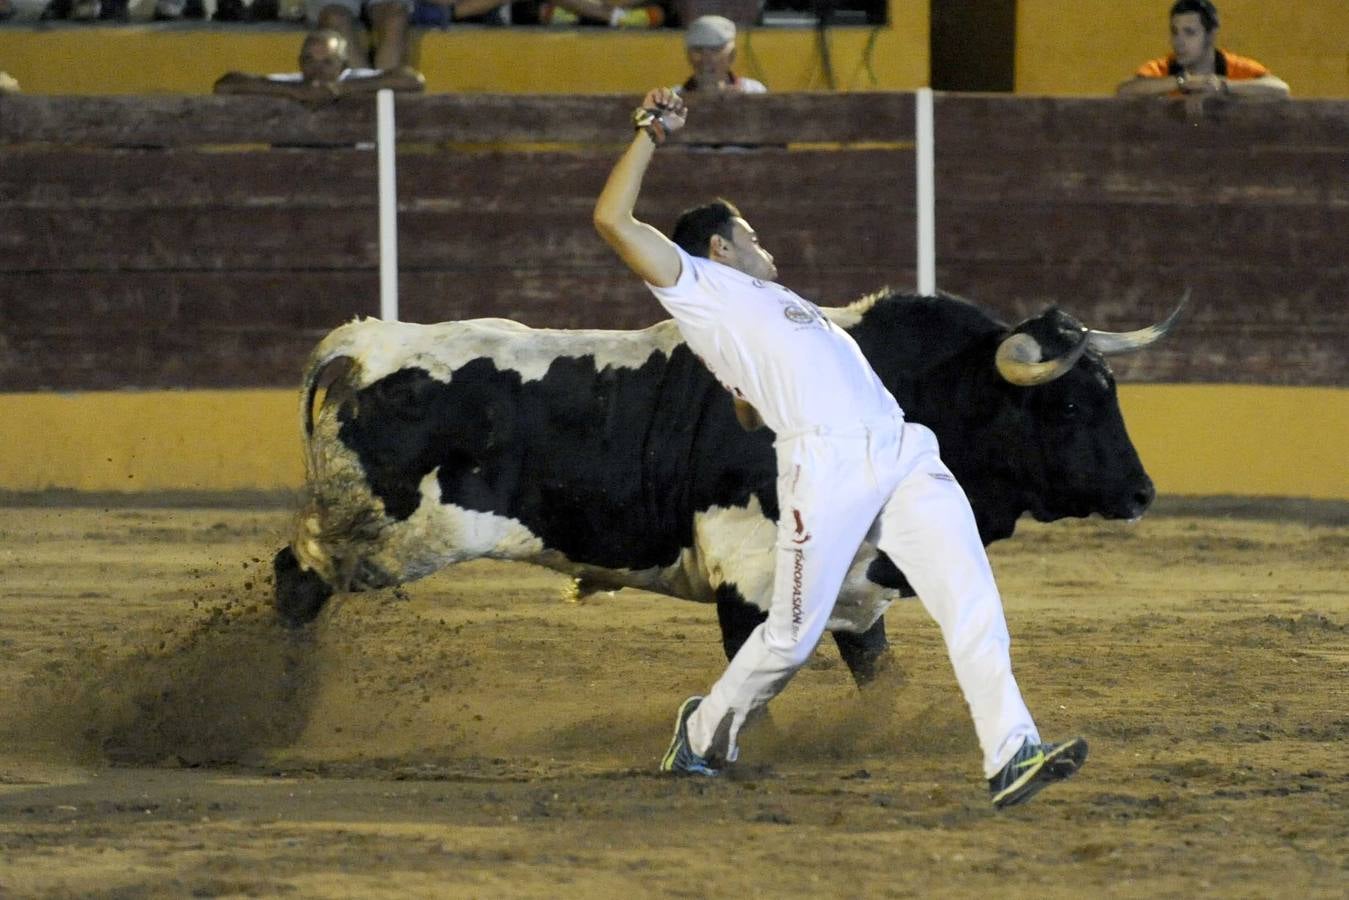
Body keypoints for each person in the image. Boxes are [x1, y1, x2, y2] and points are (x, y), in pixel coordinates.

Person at [592, 88, 1088, 809]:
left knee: (971, 601)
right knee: (791, 638)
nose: (769, 249)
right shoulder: (697, 286)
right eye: (753, 238)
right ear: (719, 249)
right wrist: (650, 134)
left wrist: (750, 388)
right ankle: (701, 736)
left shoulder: (772, 307)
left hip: (900, 451)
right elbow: (610, 219)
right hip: (822, 467)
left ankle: (1011, 752)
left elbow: (745, 403)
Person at [1116, 0, 1289, 101]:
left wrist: (1223, 85)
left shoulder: (1233, 66)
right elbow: (1126, 90)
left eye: (1189, 33)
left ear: (1210, 35)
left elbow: (1279, 89)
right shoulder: (1162, 68)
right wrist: (1182, 82)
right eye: (1175, 32)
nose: (1179, 42)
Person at [213, 29, 424, 103]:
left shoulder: (353, 78)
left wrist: (340, 90)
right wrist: (293, 92)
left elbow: (413, 80)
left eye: (327, 62)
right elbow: (225, 84)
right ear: (300, 63)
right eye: (309, 61)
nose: (317, 69)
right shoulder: (294, 82)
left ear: (343, 66)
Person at [680, 14, 766, 94]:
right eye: (698, 50)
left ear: (731, 56)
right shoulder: (674, 98)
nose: (706, 59)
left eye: (715, 51)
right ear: (688, 56)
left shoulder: (753, 90)